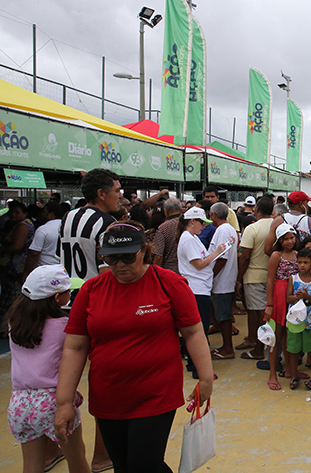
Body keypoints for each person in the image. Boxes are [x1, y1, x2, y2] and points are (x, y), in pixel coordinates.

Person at [55, 220, 214, 472]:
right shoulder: (91, 290)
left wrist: (205, 378)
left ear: (144, 250)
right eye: (111, 259)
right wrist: (64, 402)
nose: (119, 265)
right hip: (108, 396)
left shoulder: (169, 283)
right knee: (123, 465)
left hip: (156, 393)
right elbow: (74, 347)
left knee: (144, 464)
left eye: (127, 257)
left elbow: (193, 332)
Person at [56, 168, 121, 472]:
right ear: (101, 194)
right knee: (105, 380)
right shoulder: (107, 224)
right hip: (96, 302)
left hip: (66, 303)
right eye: (117, 190)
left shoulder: (68, 217)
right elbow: (112, 267)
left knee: (55, 381)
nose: (120, 195)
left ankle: (49, 451)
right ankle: (101, 455)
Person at [8, 265, 90, 473]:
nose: (71, 294)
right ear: (56, 299)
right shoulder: (65, 326)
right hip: (53, 402)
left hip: (19, 403)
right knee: (77, 458)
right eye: (68, 291)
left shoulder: (14, 324)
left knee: (32, 465)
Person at [177, 207, 230, 379]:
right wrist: (217, 252)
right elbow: (199, 264)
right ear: (192, 221)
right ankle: (196, 366)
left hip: (200, 288)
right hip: (196, 289)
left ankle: (194, 364)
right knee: (199, 330)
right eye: (201, 223)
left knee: (199, 329)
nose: (204, 227)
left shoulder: (193, 238)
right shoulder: (188, 239)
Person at [236, 197, 274, 360]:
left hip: (253, 275)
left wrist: (238, 279)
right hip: (272, 275)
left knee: (258, 313)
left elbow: (245, 257)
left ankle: (259, 348)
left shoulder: (252, 228)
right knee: (264, 312)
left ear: (256, 208)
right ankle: (256, 340)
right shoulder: (276, 226)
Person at [265, 224, 300, 390]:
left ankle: (290, 370)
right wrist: (269, 304)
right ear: (279, 240)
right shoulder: (276, 256)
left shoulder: (297, 255)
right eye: (285, 239)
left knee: (290, 334)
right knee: (276, 336)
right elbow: (270, 280)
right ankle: (272, 373)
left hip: (292, 296)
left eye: (291, 238)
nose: (289, 241)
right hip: (279, 295)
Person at [286, 248, 311, 391]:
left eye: (306, 262)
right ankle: (294, 375)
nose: (302, 265)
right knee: (293, 349)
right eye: (300, 262)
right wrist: (297, 297)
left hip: (310, 321)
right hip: (294, 321)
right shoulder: (293, 279)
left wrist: (307, 296)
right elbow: (288, 298)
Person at [208, 202, 239, 360]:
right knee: (222, 315)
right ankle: (226, 347)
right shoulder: (229, 229)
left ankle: (228, 348)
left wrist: (210, 275)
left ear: (213, 215)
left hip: (222, 281)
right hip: (226, 279)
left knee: (224, 316)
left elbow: (222, 258)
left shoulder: (222, 230)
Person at [0, 201, 35, 325]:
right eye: (11, 212)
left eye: (17, 212)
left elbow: (17, 246)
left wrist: (3, 250)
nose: (13, 215)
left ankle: (7, 325)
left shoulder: (22, 226)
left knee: (11, 296)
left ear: (25, 213)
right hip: (18, 266)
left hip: (16, 267)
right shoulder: (26, 224)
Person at [23, 201, 63, 278]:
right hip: (63, 270)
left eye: (44, 212)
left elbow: (34, 253)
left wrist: (26, 272)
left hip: (45, 271)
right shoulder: (68, 227)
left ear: (51, 215)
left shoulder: (43, 230)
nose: (41, 214)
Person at [152, 197, 183, 272]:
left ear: (165, 211)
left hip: (169, 271)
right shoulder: (189, 224)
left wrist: (155, 273)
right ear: (181, 210)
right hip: (187, 270)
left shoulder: (163, 227)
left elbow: (158, 256)